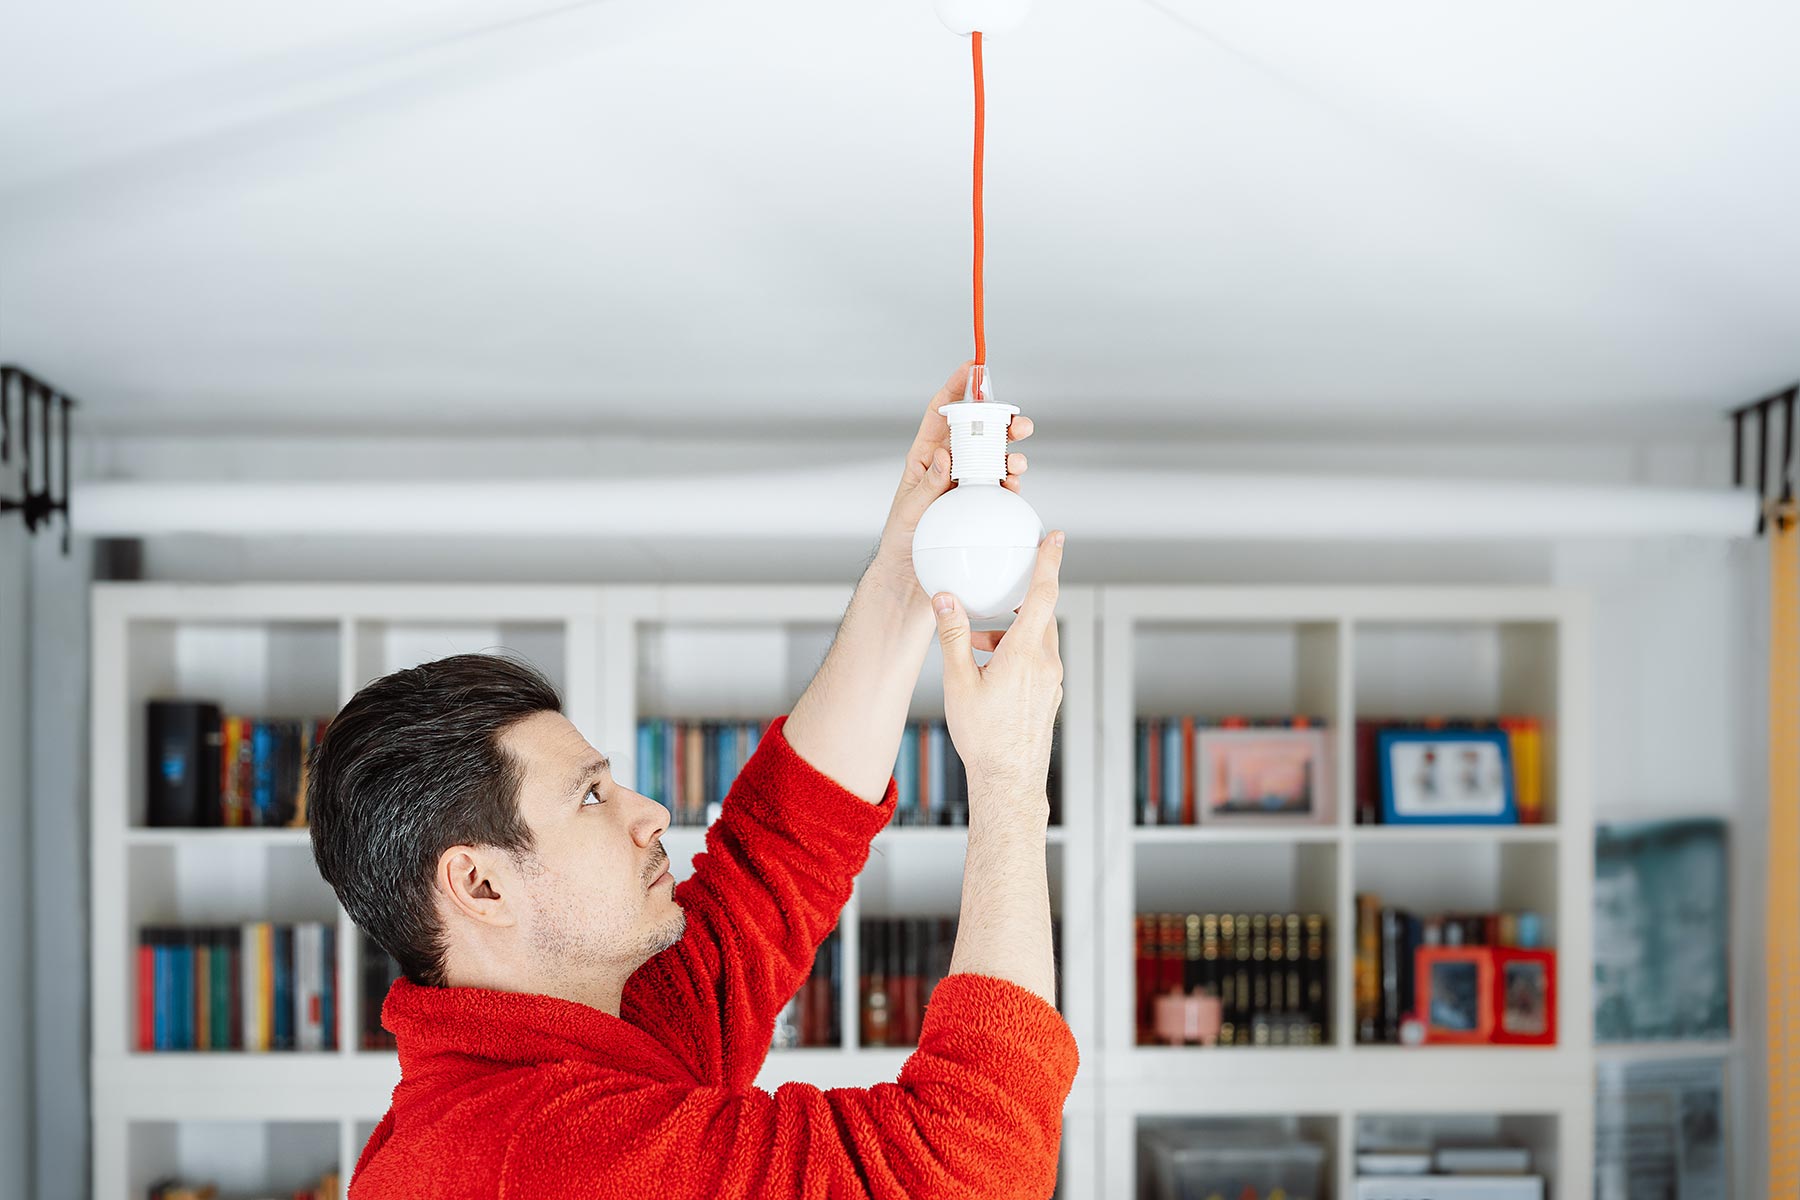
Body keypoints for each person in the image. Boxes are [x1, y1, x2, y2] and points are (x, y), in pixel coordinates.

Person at [307, 363, 1076, 1199]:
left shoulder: (584, 1033)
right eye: (591, 796)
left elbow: (780, 859)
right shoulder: (546, 1156)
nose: (651, 813)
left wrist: (911, 562)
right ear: (481, 884)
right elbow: (971, 1170)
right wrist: (1009, 777)